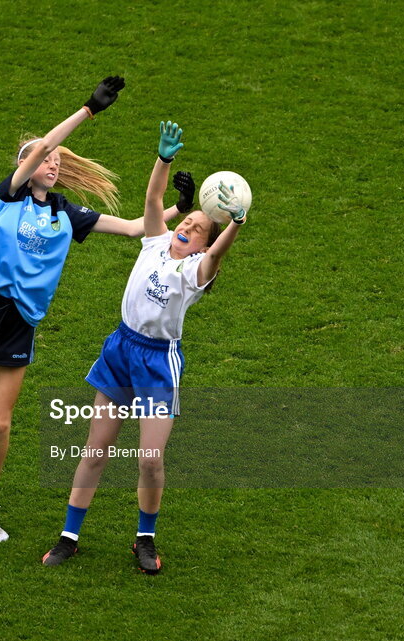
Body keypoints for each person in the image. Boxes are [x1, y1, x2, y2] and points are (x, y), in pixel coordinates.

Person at [0, 78, 195, 543]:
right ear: (27, 166)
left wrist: (179, 209)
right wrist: (89, 111)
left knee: (0, 423)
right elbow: (43, 145)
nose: (54, 164)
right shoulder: (11, 196)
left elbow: (132, 229)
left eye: (59, 162)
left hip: (19, 324)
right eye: (47, 160)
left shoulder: (67, 214)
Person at [41, 120, 248, 573]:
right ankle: (68, 537)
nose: (188, 226)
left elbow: (217, 256)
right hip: (121, 349)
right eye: (188, 221)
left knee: (150, 461)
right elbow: (154, 201)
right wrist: (164, 158)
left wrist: (236, 223)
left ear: (202, 244)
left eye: (195, 228)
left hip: (158, 363)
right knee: (95, 451)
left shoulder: (196, 271)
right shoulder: (155, 244)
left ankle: (145, 538)